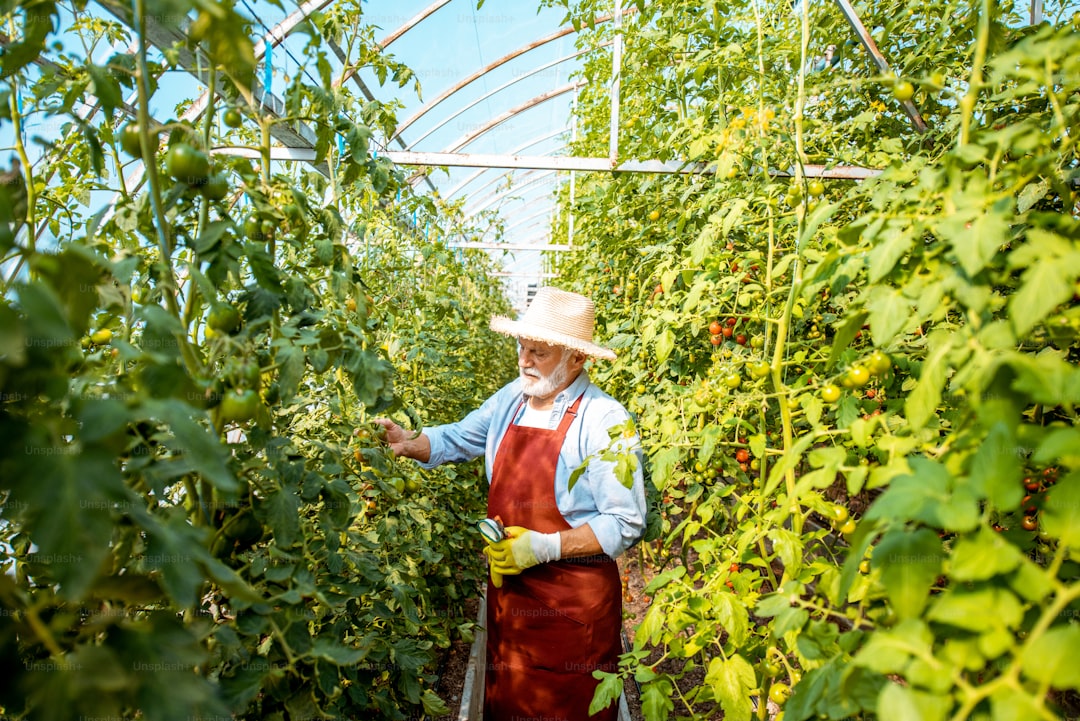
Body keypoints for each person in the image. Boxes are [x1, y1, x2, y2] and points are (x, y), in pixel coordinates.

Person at [375, 286, 647, 721]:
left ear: (577, 358)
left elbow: (625, 521)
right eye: (522, 347)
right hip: (511, 601)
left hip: (572, 612)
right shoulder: (512, 399)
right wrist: (410, 443)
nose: (524, 360)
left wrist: (544, 547)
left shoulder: (605, 421)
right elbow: (460, 436)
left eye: (538, 352)